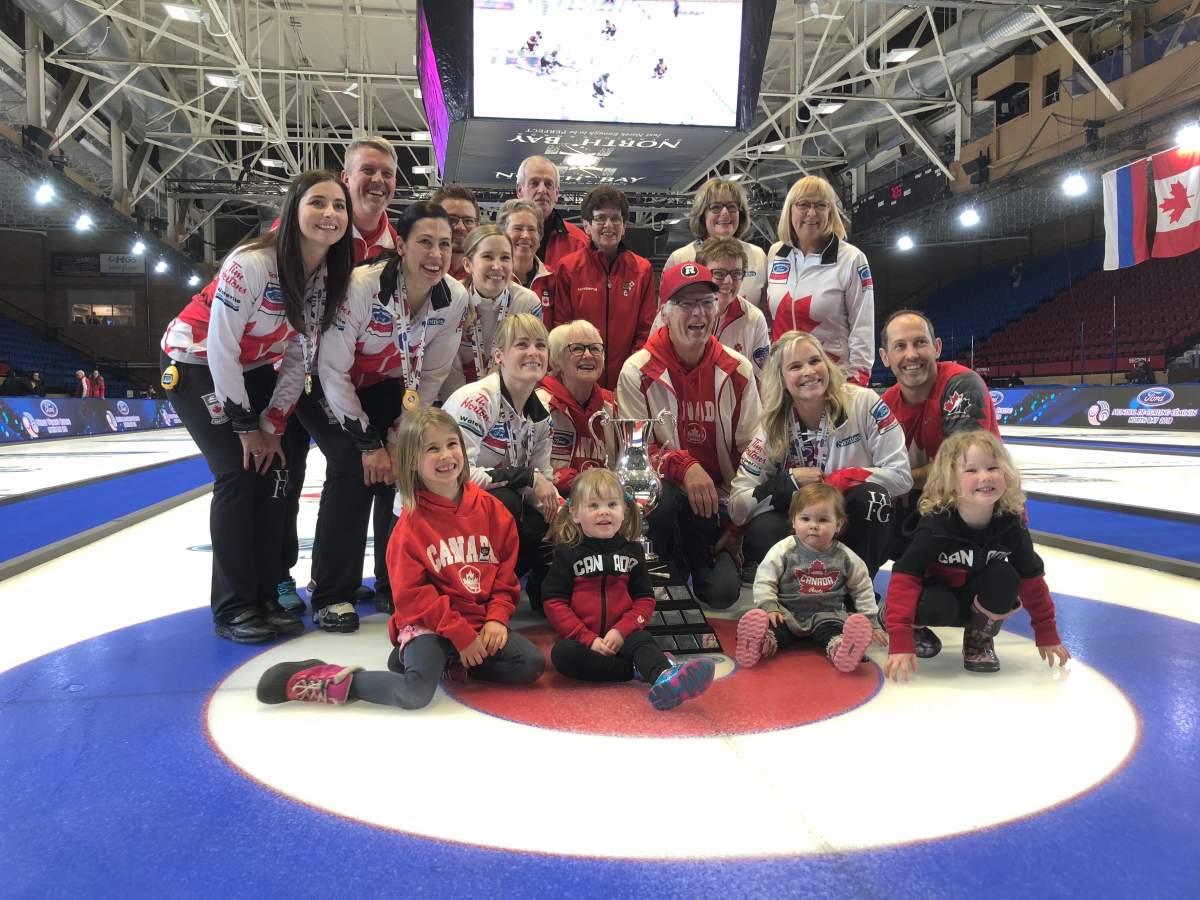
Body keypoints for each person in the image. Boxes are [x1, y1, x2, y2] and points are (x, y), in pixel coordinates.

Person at [160, 170, 354, 643]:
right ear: (293, 210)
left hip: (258, 369)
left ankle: (265, 592)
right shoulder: (249, 263)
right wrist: (246, 424)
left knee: (278, 473)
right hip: (198, 362)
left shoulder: (327, 275)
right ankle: (232, 608)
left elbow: (297, 356)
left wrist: (274, 422)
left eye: (339, 206)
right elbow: (221, 348)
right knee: (237, 473)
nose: (330, 214)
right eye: (318, 203)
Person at [256, 408, 545, 709]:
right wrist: (458, 634)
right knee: (415, 693)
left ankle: (437, 659)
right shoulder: (410, 525)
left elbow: (505, 576)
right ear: (412, 462)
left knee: (529, 664)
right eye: (432, 449)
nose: (446, 455)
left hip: (478, 621)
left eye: (451, 444)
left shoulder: (492, 509)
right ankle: (325, 679)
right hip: (429, 624)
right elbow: (412, 597)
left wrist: (497, 619)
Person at [297, 201, 469, 632]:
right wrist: (369, 444)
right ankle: (332, 592)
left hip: (388, 386)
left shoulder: (455, 296)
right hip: (324, 384)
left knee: (403, 469)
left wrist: (397, 437)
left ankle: (396, 582)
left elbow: (431, 375)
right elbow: (333, 370)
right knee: (352, 467)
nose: (436, 255)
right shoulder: (362, 285)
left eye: (445, 245)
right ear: (402, 245)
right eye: (425, 243)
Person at [276, 135, 402, 613]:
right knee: (339, 465)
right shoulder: (318, 226)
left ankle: (370, 581)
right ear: (346, 178)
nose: (378, 181)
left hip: (369, 378)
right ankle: (313, 585)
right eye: (367, 171)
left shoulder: (398, 242)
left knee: (383, 467)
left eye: (387, 173)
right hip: (303, 372)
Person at [617, 263, 761, 610]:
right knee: (658, 499)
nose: (698, 313)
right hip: (668, 495)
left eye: (707, 302)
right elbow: (635, 451)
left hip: (718, 502)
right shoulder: (637, 370)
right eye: (686, 304)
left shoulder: (738, 369)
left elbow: (753, 453)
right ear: (664, 312)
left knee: (722, 593)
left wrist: (735, 524)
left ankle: (709, 555)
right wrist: (686, 467)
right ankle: (662, 560)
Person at [881, 431, 1070, 681]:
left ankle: (978, 638)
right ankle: (913, 627)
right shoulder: (935, 527)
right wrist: (900, 636)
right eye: (971, 471)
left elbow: (1032, 579)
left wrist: (1047, 632)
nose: (985, 477)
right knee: (938, 606)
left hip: (974, 599)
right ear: (949, 481)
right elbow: (906, 578)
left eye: (993, 467)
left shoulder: (1010, 524)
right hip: (938, 596)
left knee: (1006, 577)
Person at [729, 331, 911, 581]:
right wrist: (788, 482)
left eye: (815, 361)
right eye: (795, 366)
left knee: (873, 497)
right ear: (781, 379)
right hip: (800, 526)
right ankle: (796, 597)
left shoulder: (864, 403)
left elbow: (901, 476)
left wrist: (839, 481)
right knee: (762, 530)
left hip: (847, 523)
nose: (809, 371)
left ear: (827, 364)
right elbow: (738, 506)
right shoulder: (771, 427)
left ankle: (856, 592)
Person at [542, 468, 716, 710]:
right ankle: (634, 670)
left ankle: (665, 676)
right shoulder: (567, 554)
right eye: (593, 505)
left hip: (624, 637)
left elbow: (645, 599)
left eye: (612, 504)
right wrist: (587, 637)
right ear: (575, 513)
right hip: (584, 642)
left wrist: (622, 631)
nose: (604, 511)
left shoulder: (633, 552)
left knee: (643, 640)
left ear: (623, 510)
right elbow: (554, 602)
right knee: (562, 655)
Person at [442, 313, 559, 610]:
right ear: (499, 356)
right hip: (436, 512)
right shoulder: (477, 400)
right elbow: (456, 478)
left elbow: (543, 478)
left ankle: (537, 593)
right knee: (506, 504)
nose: (533, 352)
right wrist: (525, 476)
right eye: (522, 345)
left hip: (484, 510)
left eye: (540, 345)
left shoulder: (543, 412)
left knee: (551, 517)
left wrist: (562, 512)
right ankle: (468, 594)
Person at [734, 483, 886, 672]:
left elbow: (863, 588)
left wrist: (871, 621)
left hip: (827, 615)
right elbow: (765, 579)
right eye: (805, 518)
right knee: (773, 628)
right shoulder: (783, 549)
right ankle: (760, 643)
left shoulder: (846, 556)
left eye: (823, 520)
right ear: (793, 522)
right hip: (787, 614)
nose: (813, 526)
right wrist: (769, 606)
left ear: (838, 524)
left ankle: (841, 649)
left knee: (836, 631)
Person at [878, 309, 999, 502]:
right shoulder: (884, 404)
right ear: (885, 357)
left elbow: (963, 466)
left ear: (937, 347)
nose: (912, 354)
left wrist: (893, 480)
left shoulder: (962, 385)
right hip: (920, 515)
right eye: (900, 346)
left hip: (978, 516)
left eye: (920, 343)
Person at [766, 175, 875, 386]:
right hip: (784, 382)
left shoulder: (852, 259)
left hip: (832, 380)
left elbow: (863, 326)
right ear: (790, 210)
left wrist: (857, 380)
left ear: (830, 212)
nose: (812, 213)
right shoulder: (775, 253)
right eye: (803, 205)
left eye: (821, 205)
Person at [552, 186, 656, 389]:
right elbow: (562, 329)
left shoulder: (642, 270)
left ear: (624, 226)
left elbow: (646, 331)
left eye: (615, 218)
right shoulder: (568, 268)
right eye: (600, 218)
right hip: (579, 383)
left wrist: (632, 372)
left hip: (629, 381)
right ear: (586, 226)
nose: (609, 225)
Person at [439, 225, 542, 398]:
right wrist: (466, 409)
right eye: (487, 256)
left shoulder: (527, 302)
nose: (497, 266)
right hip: (458, 400)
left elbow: (529, 363)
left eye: (505, 258)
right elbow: (449, 369)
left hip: (511, 399)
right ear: (467, 264)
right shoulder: (452, 299)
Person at [651, 236, 769, 378]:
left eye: (736, 273)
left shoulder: (754, 318)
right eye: (719, 273)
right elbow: (653, 366)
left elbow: (761, 379)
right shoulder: (673, 312)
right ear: (702, 273)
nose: (728, 281)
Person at [536, 320, 617, 495]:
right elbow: (534, 470)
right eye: (577, 348)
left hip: (605, 500)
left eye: (595, 348)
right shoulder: (539, 405)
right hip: (551, 503)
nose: (588, 355)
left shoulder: (614, 407)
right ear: (556, 361)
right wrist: (582, 482)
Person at [665, 177, 768, 311]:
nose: (725, 213)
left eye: (732, 207)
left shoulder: (757, 255)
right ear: (702, 214)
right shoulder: (680, 258)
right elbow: (665, 314)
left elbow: (765, 310)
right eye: (716, 207)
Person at [514, 155, 588, 268]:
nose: (542, 190)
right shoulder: (498, 239)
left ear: (557, 194)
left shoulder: (580, 243)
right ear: (520, 190)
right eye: (534, 183)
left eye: (548, 184)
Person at [498, 198, 556, 314]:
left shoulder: (554, 279)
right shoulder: (492, 277)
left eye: (531, 229)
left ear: (540, 237)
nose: (525, 235)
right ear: (502, 235)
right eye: (518, 228)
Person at [431, 183, 480, 282]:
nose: (460, 227)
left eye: (468, 221)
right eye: (451, 219)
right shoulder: (417, 270)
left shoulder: (485, 274)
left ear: (477, 226)